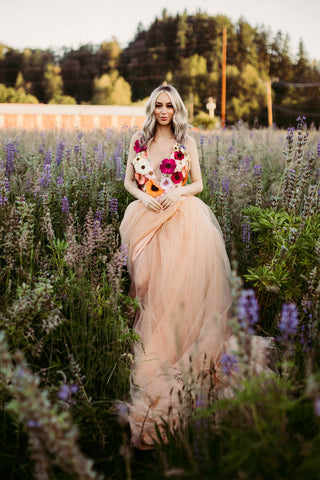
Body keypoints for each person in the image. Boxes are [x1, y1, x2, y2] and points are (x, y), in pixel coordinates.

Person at [119, 84, 266, 450]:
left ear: (177, 108)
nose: (165, 110)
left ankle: (177, 353)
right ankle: (155, 346)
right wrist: (145, 198)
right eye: (159, 105)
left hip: (183, 220)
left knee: (179, 287)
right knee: (148, 286)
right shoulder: (138, 139)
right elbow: (127, 182)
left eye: (170, 105)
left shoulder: (187, 142)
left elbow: (198, 184)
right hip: (146, 219)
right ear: (152, 108)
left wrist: (176, 193)